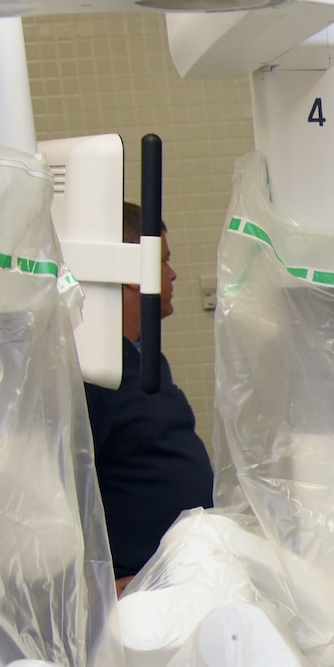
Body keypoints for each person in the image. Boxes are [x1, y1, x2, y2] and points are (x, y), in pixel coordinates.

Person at [84, 202, 213, 587]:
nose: (173, 275)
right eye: (164, 262)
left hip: (183, 575)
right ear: (132, 274)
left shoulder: (143, 358)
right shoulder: (94, 372)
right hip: (136, 592)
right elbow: (64, 494)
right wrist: (103, 588)